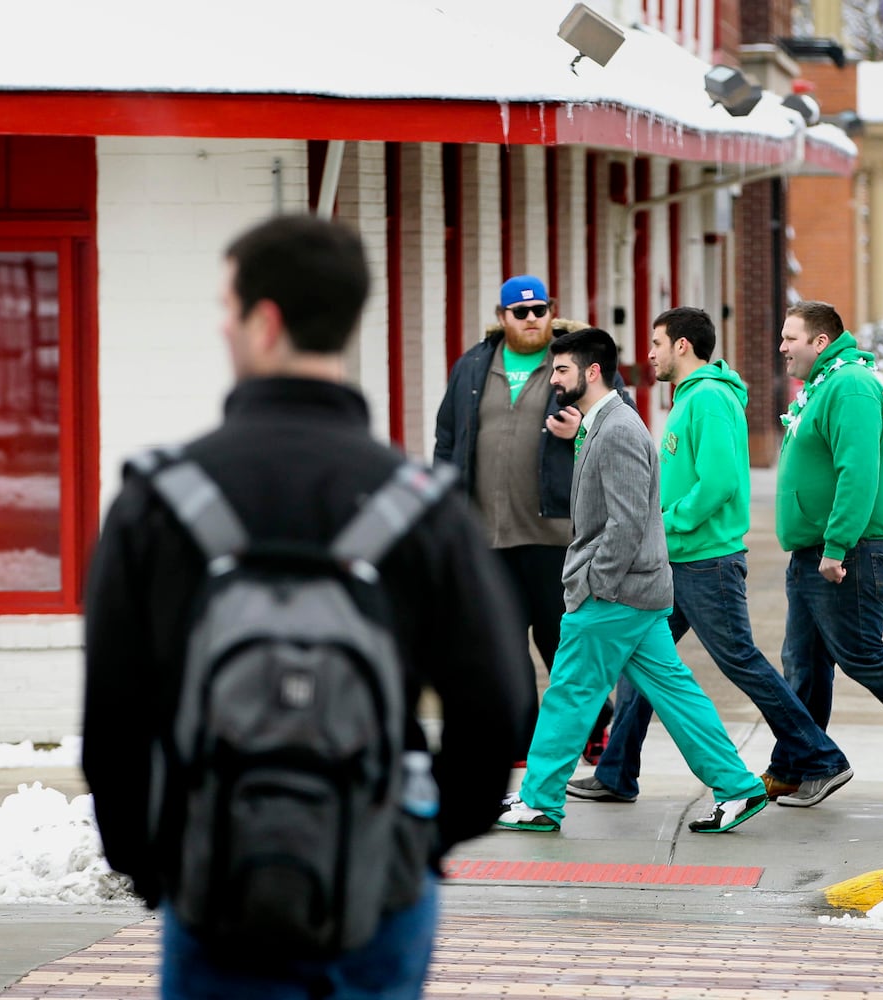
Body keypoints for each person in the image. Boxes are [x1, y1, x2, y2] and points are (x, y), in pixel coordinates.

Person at [82, 215, 532, 998]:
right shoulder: (421, 507)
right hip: (378, 891)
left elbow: (115, 721)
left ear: (265, 320)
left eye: (226, 306)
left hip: (215, 886)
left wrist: (156, 869)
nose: (222, 325)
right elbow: (495, 707)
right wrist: (416, 845)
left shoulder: (156, 501)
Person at [568, 307, 853, 808]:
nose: (649, 354)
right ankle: (616, 772)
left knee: (740, 661)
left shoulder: (710, 399)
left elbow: (719, 483)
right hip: (677, 560)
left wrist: (665, 520)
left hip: (706, 561)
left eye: (656, 343)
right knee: (640, 661)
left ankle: (821, 757)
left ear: (682, 346)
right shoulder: (688, 399)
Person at [496, 328, 769, 835]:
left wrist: (595, 583)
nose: (552, 378)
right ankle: (738, 786)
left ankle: (538, 801)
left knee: (569, 694)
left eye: (560, 369)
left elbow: (624, 523)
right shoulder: (601, 423)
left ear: (591, 371)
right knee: (676, 693)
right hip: (636, 592)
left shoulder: (618, 429)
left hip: (614, 593)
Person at [434, 275, 615, 763]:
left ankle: (596, 724)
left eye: (539, 310)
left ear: (552, 311)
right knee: (501, 643)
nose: (531, 318)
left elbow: (619, 425)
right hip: (485, 535)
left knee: (561, 639)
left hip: (553, 532)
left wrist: (583, 429)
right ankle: (519, 736)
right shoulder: (473, 365)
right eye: (521, 312)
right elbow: (447, 440)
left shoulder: (577, 361)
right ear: (502, 317)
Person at [774, 301, 883, 788]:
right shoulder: (825, 383)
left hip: (849, 552)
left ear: (820, 341)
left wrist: (836, 544)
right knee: (803, 663)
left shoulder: (849, 384)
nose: (782, 346)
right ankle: (798, 764)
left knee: (863, 656)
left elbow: (859, 470)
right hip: (814, 551)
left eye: (791, 337)